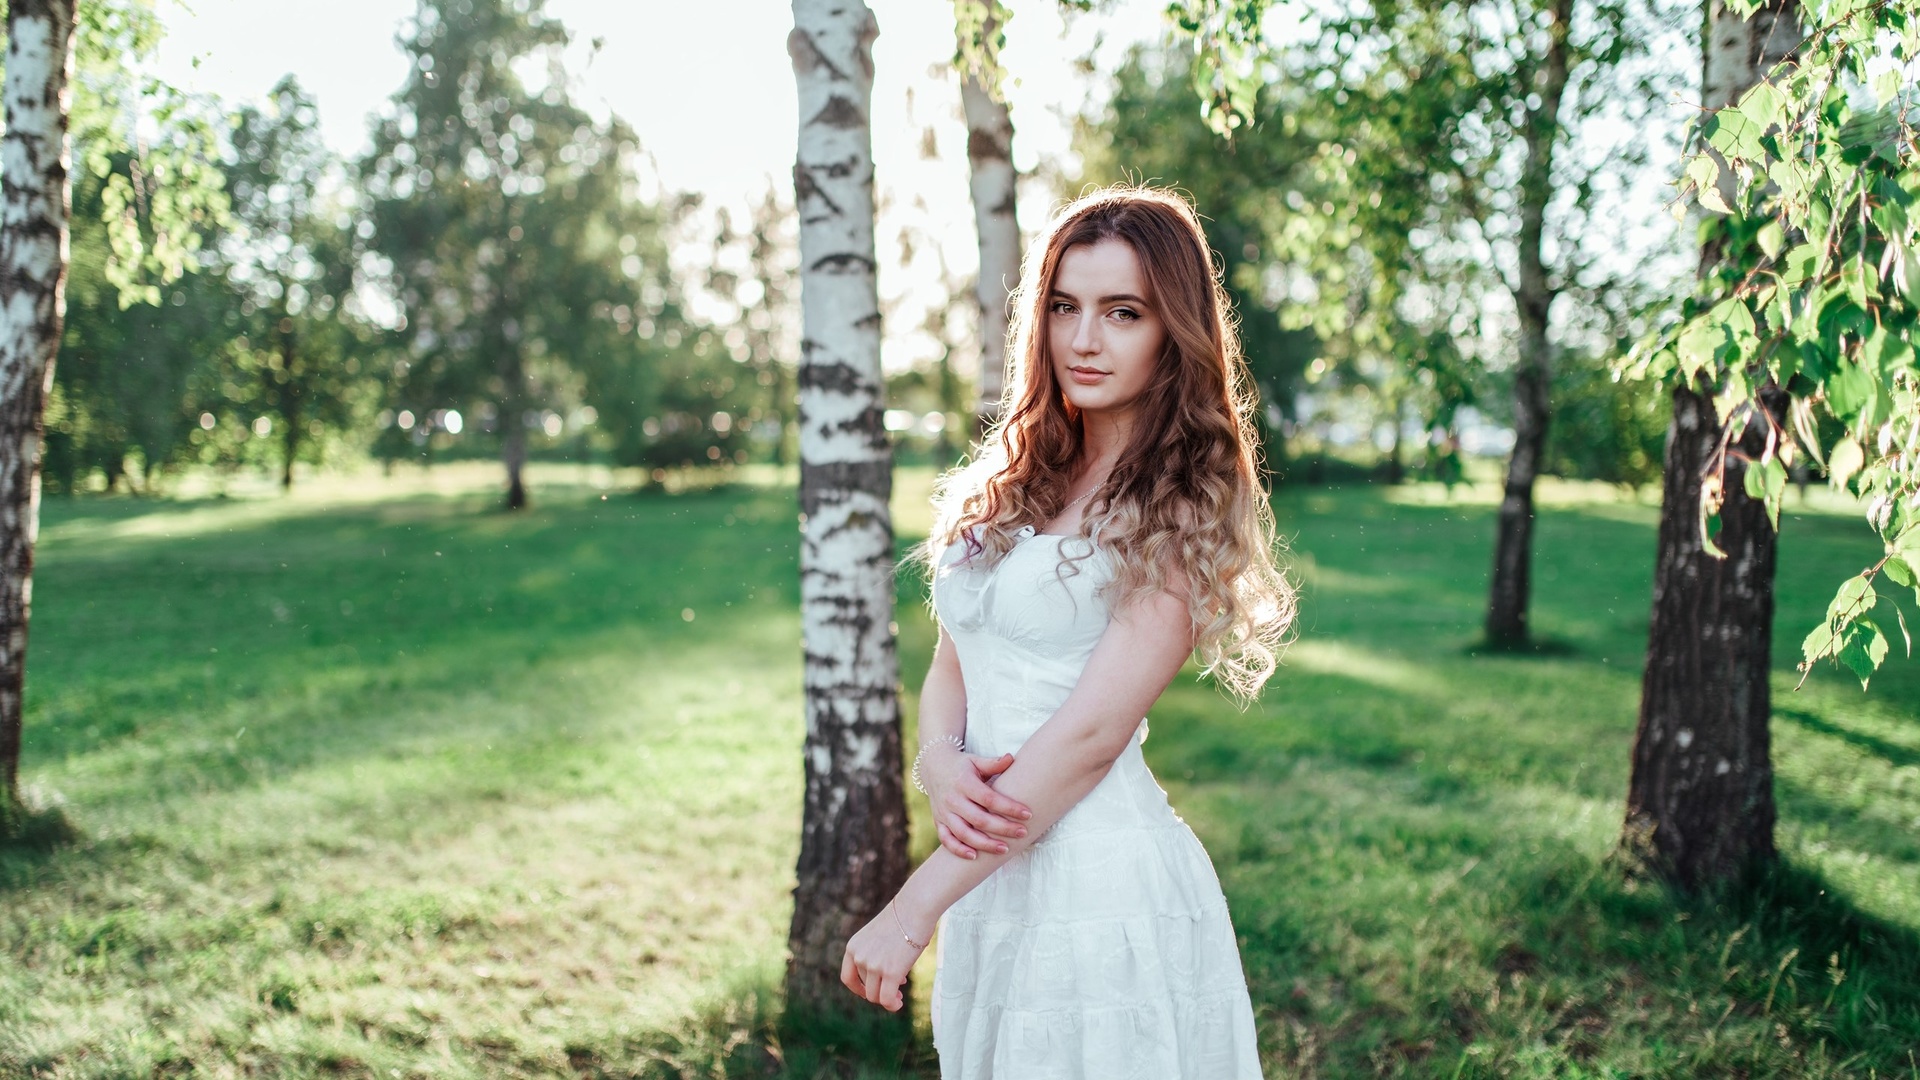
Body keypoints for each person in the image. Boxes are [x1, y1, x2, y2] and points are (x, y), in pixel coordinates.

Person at [841, 186, 1296, 1078]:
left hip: (1100, 890)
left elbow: (1090, 737)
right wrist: (936, 760)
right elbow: (955, 657)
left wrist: (910, 908)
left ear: (1174, 330)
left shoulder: (1184, 499)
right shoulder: (1023, 473)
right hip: (993, 881)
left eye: (1122, 313)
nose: (1084, 339)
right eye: (1064, 307)